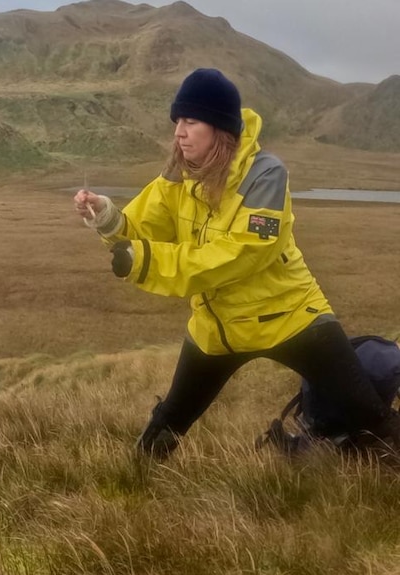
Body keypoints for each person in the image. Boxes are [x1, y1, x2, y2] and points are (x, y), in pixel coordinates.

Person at [73, 68, 400, 460]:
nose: (179, 131)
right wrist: (106, 216)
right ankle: (131, 484)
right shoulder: (179, 175)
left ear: (219, 128)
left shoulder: (265, 174)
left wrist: (145, 262)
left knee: (370, 417)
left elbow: (242, 254)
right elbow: (140, 228)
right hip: (217, 329)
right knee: (169, 421)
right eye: (177, 121)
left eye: (191, 121)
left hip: (289, 316)